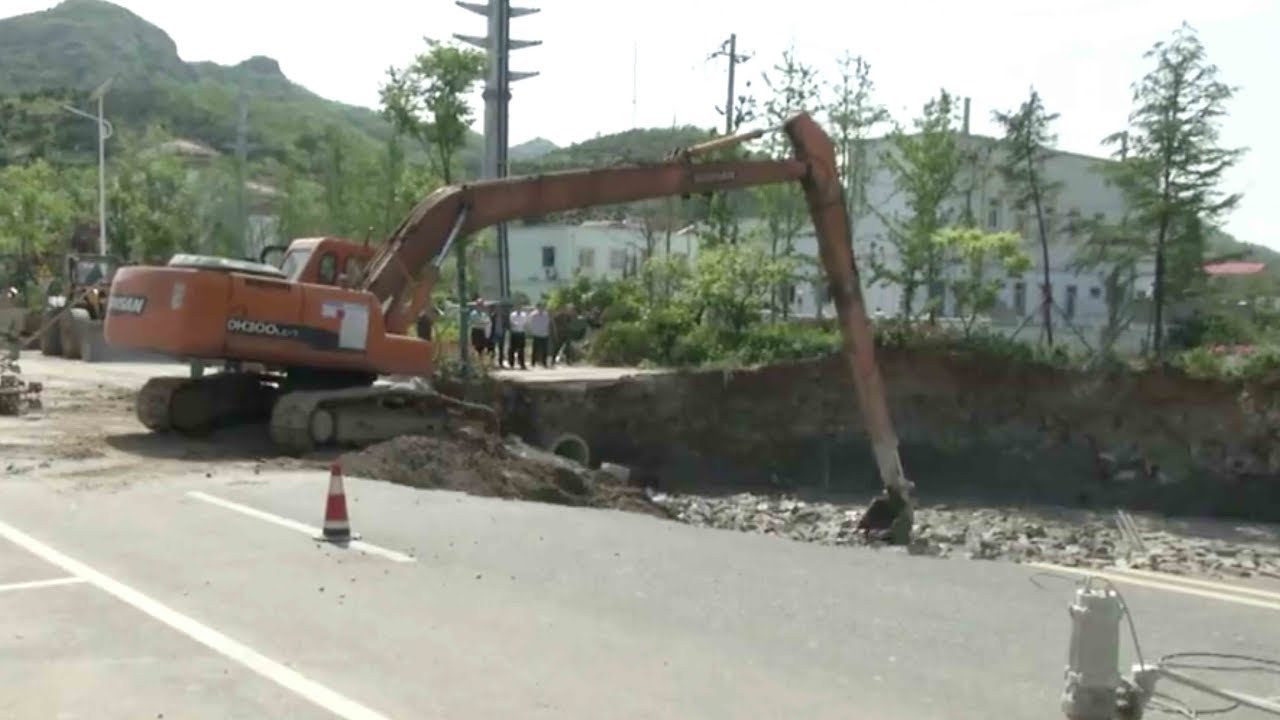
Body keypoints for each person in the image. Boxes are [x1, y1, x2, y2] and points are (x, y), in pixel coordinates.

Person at [527, 301, 551, 368]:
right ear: (537, 307)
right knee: (535, 349)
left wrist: (547, 331)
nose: (541, 308)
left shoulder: (546, 314)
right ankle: (533, 362)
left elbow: (547, 323)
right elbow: (530, 323)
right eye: (540, 307)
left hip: (544, 334)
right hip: (536, 334)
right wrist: (532, 331)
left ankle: (544, 362)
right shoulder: (533, 315)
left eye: (542, 307)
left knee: (544, 349)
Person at [507, 304, 528, 370]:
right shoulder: (512, 315)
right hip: (514, 333)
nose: (518, 308)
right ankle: (511, 363)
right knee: (512, 349)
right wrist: (517, 324)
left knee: (521, 349)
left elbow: (525, 323)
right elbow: (512, 323)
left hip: (521, 333)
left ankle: (522, 363)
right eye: (517, 307)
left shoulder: (524, 315)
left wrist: (519, 325)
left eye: (520, 307)